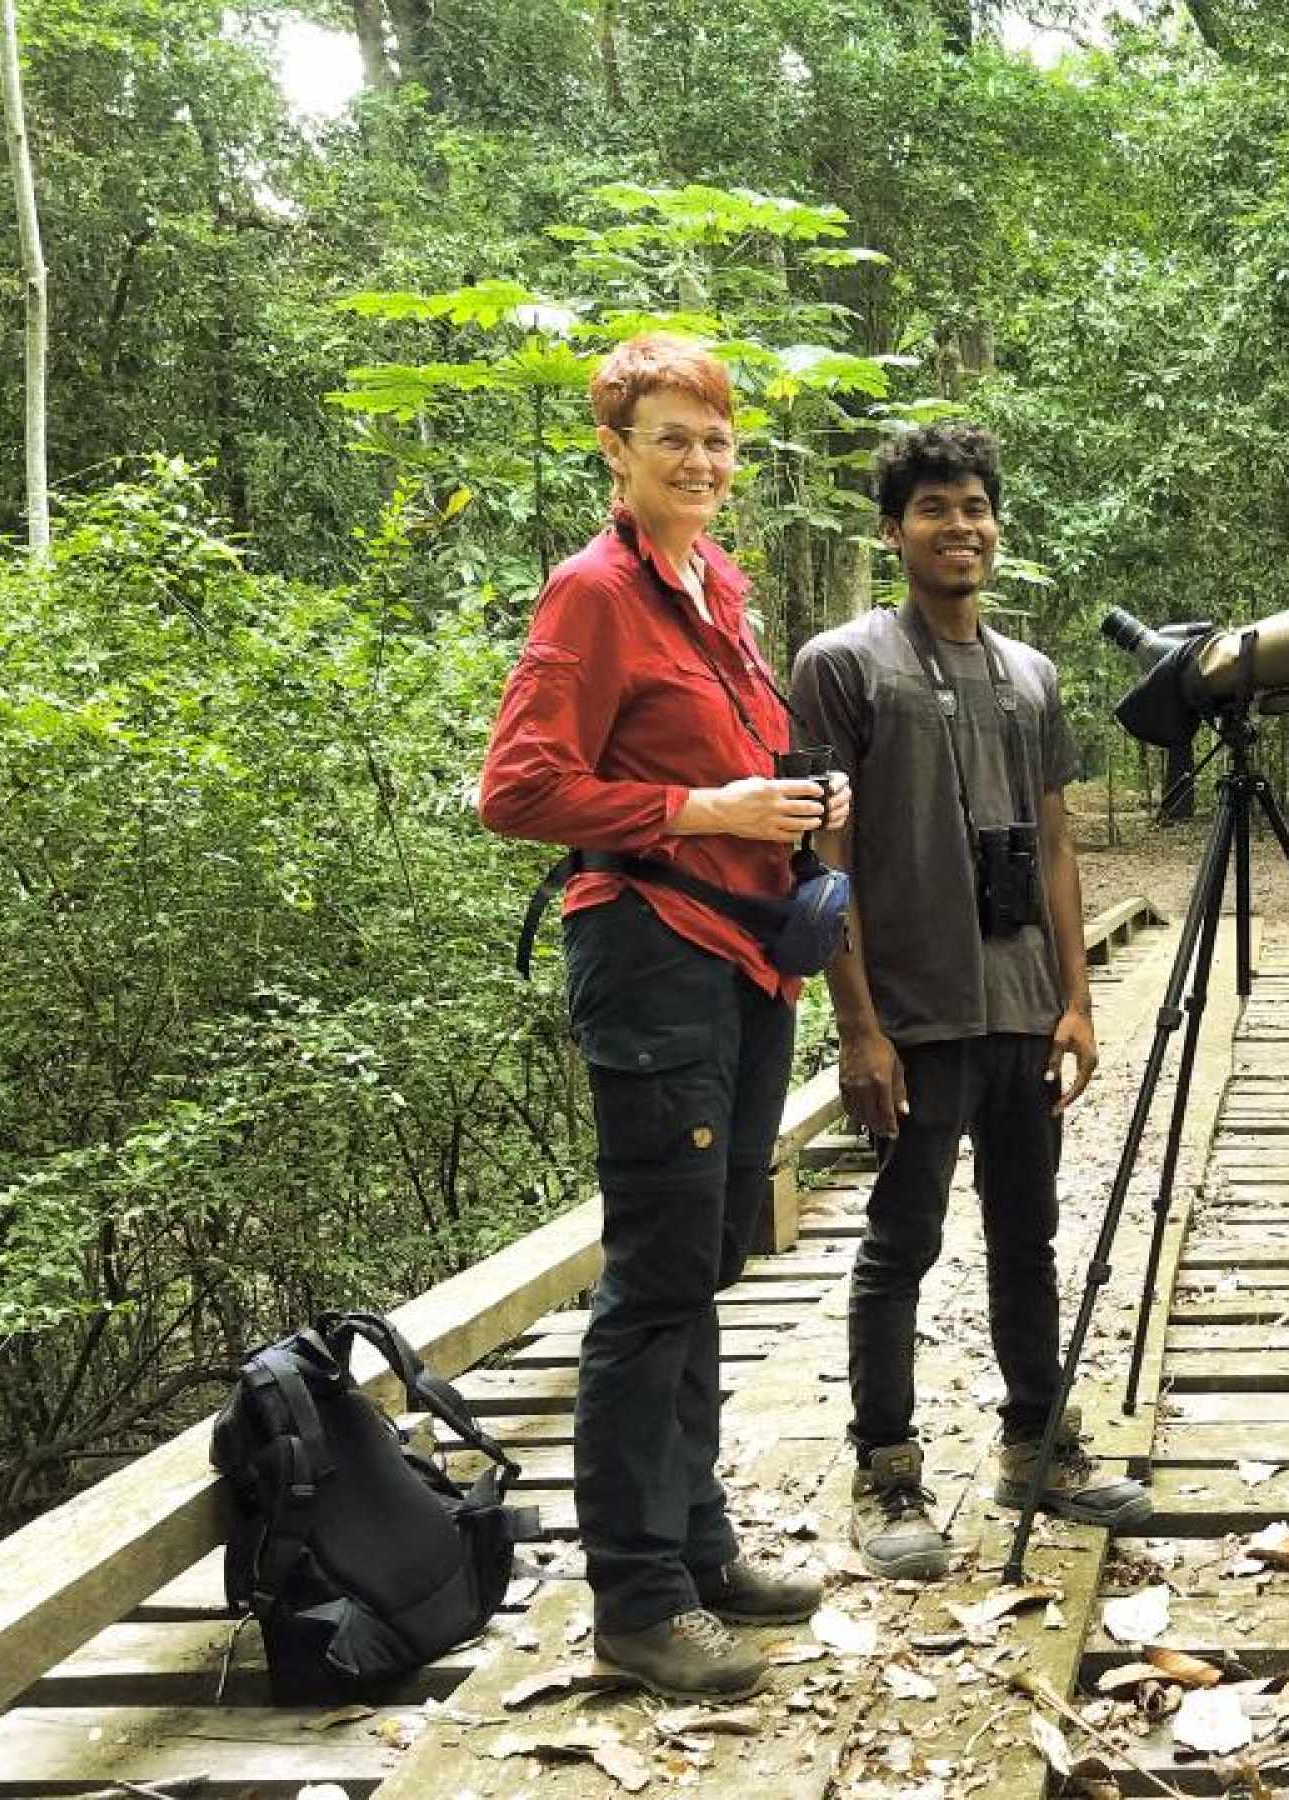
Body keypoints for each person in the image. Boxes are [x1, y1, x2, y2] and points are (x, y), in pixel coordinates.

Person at [478, 333, 843, 1698]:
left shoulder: (714, 590)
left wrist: (793, 798)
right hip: (651, 955)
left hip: (748, 962)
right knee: (651, 1281)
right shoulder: (592, 593)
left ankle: (698, 1550)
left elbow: (727, 758)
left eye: (718, 439)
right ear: (617, 453)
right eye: (672, 436)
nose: (700, 460)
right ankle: (635, 1595)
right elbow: (514, 791)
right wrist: (698, 811)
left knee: (703, 1266)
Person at [790, 422, 1152, 1578]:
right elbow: (822, 851)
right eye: (934, 508)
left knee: (1027, 1236)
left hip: (1016, 1005)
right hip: (910, 1007)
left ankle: (1034, 1443)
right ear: (892, 531)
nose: (962, 527)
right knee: (900, 1241)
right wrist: (856, 1025)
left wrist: (1076, 1000)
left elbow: (1052, 844)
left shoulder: (1029, 675)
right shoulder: (843, 666)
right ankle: (886, 1470)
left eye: (976, 507)